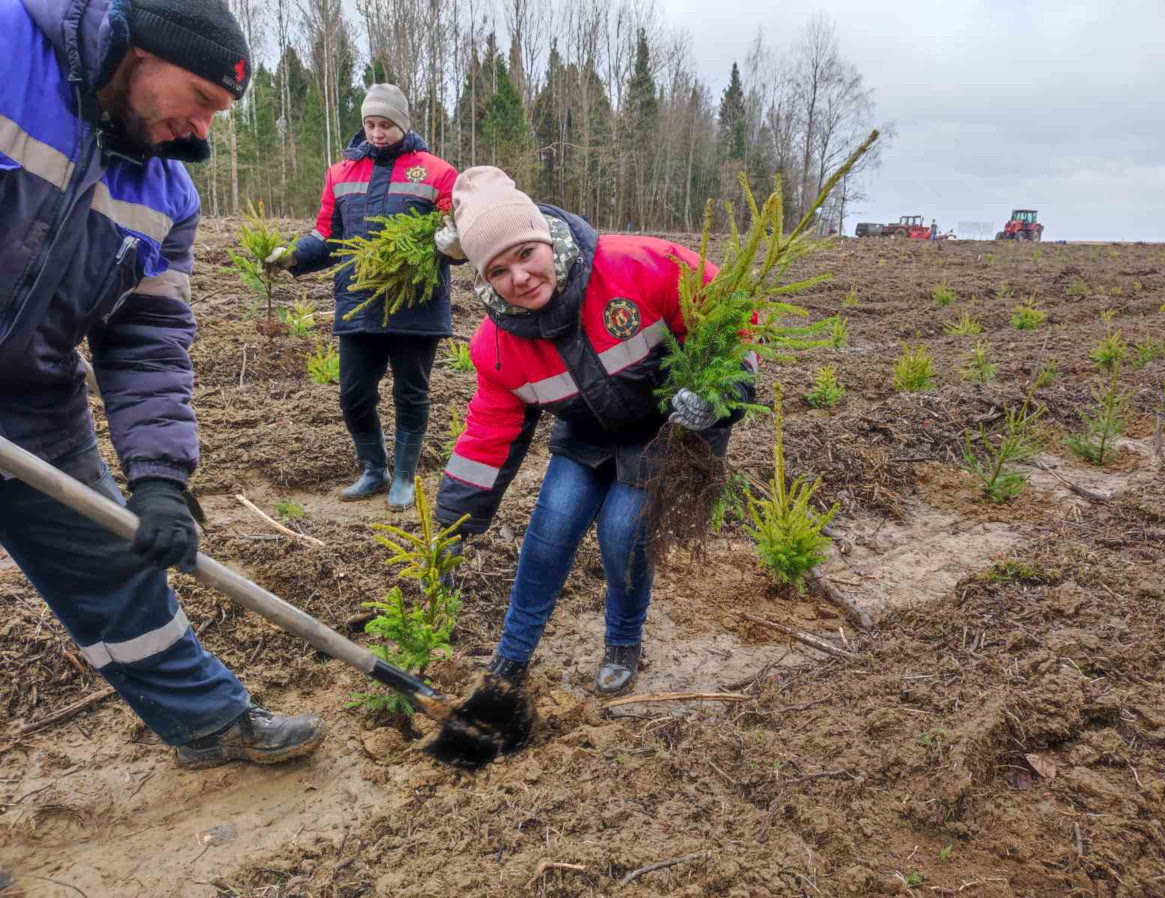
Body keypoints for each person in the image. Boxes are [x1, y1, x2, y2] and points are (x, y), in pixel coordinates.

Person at [0, 0, 323, 768]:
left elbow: (147, 344)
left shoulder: (168, 197)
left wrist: (160, 481)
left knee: (113, 567)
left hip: (34, 399)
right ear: (140, 51)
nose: (205, 130)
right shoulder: (10, 48)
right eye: (204, 101)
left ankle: (209, 722)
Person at [432, 167, 755, 695]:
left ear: (543, 236)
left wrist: (720, 398)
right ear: (483, 281)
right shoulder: (497, 345)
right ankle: (512, 656)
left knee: (623, 533)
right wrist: (450, 527)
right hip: (586, 435)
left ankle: (623, 642)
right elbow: (487, 441)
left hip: (666, 430)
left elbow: (731, 323)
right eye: (497, 271)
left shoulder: (640, 267)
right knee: (549, 533)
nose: (520, 277)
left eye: (524, 254)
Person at [268, 85, 458, 509]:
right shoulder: (340, 173)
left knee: (411, 391)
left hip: (416, 305)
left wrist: (455, 244)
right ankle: (374, 467)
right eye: (370, 124)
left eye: (385, 125)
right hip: (357, 302)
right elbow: (327, 235)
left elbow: (452, 233)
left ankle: (404, 476)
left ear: (403, 125)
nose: (376, 132)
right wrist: (294, 256)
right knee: (353, 393)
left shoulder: (437, 172)